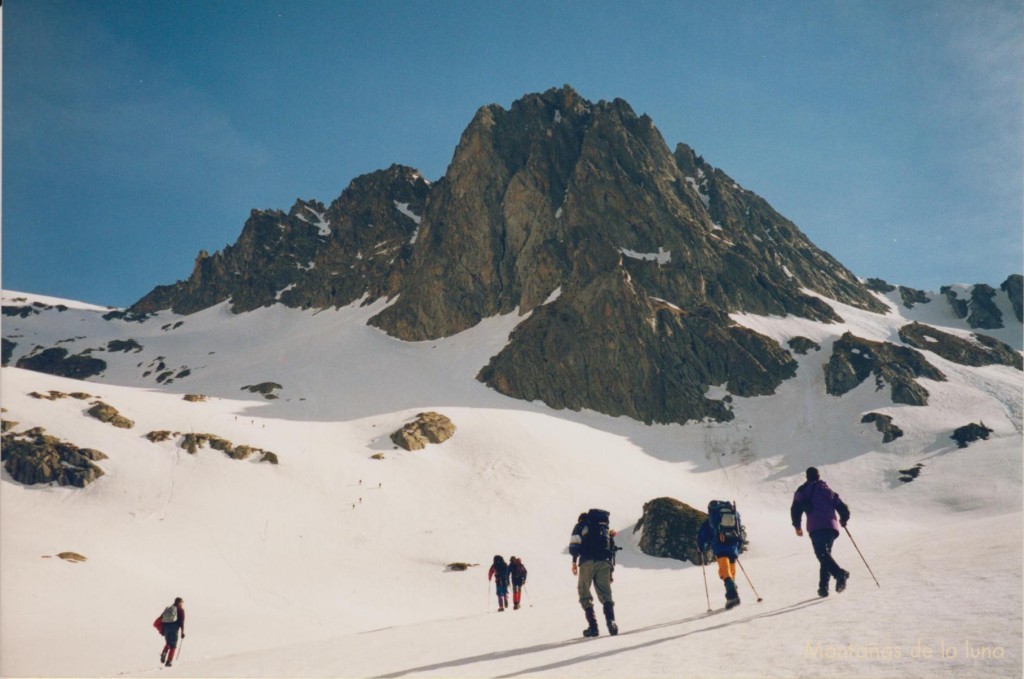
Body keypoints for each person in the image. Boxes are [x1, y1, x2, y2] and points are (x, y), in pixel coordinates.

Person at [791, 467, 851, 597]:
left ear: (807, 477)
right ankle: (823, 588)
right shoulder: (827, 490)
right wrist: (843, 519)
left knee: (822, 554)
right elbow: (841, 505)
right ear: (818, 476)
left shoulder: (802, 490)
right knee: (825, 555)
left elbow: (795, 509)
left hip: (816, 527)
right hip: (831, 528)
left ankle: (839, 574)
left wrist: (797, 526)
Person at [569, 509, 619, 637]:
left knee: (584, 593)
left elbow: (574, 545)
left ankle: (593, 627)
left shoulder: (581, 525)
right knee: (605, 593)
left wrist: (574, 561)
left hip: (587, 562)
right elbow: (610, 548)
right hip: (604, 562)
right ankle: (611, 622)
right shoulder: (603, 527)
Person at [697, 501, 742, 609]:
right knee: (731, 570)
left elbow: (703, 534)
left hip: (720, 546)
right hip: (732, 546)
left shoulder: (712, 519)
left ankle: (732, 596)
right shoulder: (734, 513)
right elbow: (739, 529)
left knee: (724, 570)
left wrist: (701, 546)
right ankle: (732, 592)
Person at [158, 597, 185, 667]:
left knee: (168, 643)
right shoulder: (180, 610)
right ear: (179, 602)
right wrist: (182, 632)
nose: (182, 604)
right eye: (181, 602)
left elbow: (161, 617)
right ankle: (169, 661)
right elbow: (182, 622)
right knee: (173, 646)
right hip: (174, 629)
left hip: (166, 628)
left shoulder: (169, 609)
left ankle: (164, 652)